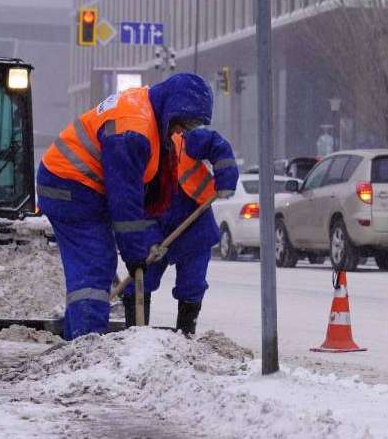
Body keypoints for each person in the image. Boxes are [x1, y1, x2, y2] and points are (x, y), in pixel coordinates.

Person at [35, 72, 214, 340]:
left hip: (77, 186)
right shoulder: (134, 131)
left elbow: (135, 194)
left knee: (97, 263)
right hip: (70, 187)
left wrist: (136, 246)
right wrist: (134, 253)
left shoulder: (147, 110)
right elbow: (124, 198)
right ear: (172, 108)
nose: (181, 132)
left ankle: (77, 338)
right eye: (182, 123)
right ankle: (87, 343)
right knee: (94, 264)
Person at [124, 126, 239, 335]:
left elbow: (217, 145)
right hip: (157, 229)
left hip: (195, 225)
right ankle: (134, 336)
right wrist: (151, 239)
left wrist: (226, 178)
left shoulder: (185, 140)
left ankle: (186, 336)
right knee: (141, 280)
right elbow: (135, 209)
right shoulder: (136, 160)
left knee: (192, 285)